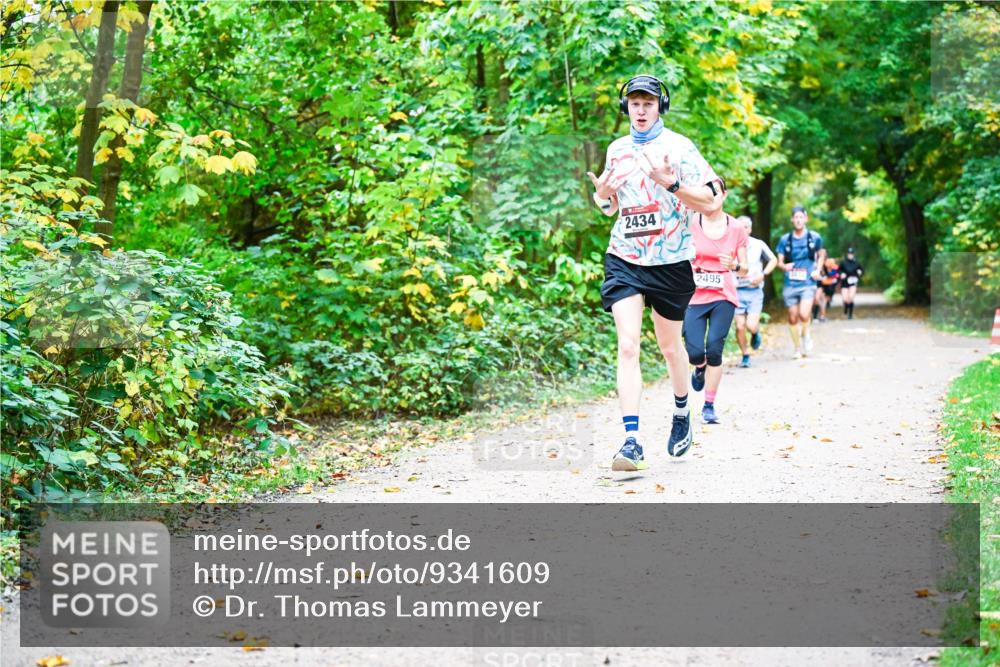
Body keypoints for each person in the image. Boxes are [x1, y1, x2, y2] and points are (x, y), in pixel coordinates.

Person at [586, 74, 724, 471]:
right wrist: (603, 197)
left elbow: (714, 199)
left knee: (669, 347)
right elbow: (611, 208)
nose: (641, 110)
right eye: (634, 103)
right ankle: (631, 440)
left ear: (659, 106)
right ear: (625, 107)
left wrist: (674, 183)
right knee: (628, 346)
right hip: (625, 257)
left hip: (671, 261)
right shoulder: (616, 149)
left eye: (648, 103)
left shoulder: (680, 148)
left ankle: (682, 413)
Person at [683, 179, 748, 424]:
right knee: (695, 351)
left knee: (714, 348)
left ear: (724, 195)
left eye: (715, 193)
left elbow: (745, 269)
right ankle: (699, 368)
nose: (710, 197)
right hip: (695, 295)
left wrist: (735, 265)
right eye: (705, 193)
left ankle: (709, 405)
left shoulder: (736, 228)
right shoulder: (690, 223)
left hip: (723, 295)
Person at [775, 206, 826, 359]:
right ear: (792, 220)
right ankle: (797, 348)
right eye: (795, 217)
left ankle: (806, 334)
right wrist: (784, 266)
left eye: (800, 217)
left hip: (808, 282)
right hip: (790, 283)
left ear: (806, 219)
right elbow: (779, 262)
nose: (798, 220)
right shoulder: (785, 239)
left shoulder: (814, 237)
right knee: (792, 317)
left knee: (804, 314)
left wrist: (818, 269)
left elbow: (821, 254)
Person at [733, 215, 777, 368]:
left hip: (754, 291)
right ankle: (745, 355)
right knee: (739, 326)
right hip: (736, 291)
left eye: (745, 226)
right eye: (739, 226)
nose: (743, 229)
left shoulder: (758, 245)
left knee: (751, 325)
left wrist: (763, 275)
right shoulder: (730, 246)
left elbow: (773, 260)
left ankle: (755, 332)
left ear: (750, 229)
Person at [839, 247, 864, 319]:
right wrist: (841, 274)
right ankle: (845, 310)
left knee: (851, 297)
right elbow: (839, 270)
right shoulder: (843, 262)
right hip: (845, 282)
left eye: (851, 254)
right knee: (845, 299)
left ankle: (850, 314)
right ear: (847, 254)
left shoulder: (857, 262)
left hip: (853, 281)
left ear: (853, 254)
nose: (850, 255)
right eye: (849, 254)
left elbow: (861, 270)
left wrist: (860, 273)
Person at [814, 257, 841, 322]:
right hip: (816, 283)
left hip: (825, 284)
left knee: (822, 300)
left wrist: (829, 275)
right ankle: (815, 317)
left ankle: (821, 316)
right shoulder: (812, 262)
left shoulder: (828, 263)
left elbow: (835, 272)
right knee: (817, 299)